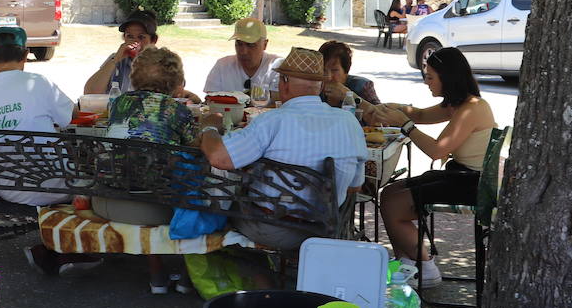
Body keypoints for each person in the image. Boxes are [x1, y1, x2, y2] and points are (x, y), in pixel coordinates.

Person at [197, 47, 368, 251]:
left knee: (220, 206)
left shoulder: (272, 120)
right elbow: (355, 186)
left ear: (283, 83)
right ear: (321, 86)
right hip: (327, 229)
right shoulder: (349, 121)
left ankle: (253, 273)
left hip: (273, 229)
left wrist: (208, 127)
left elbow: (219, 158)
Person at [370, 46, 498, 287]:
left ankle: (425, 267)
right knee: (388, 193)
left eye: (430, 77)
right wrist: (390, 109)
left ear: (447, 78)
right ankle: (407, 264)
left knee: (395, 205)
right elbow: (419, 114)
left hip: (473, 183)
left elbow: (438, 150)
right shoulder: (459, 104)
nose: (427, 83)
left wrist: (405, 125)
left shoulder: (472, 107)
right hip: (460, 174)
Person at [98, 45, 197, 293]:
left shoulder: (118, 103)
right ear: (177, 83)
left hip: (108, 200)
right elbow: (196, 149)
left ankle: (156, 272)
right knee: (196, 181)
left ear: (135, 77)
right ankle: (189, 274)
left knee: (140, 170)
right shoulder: (178, 110)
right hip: (157, 208)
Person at [0, 26, 73, 205]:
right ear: (25, 55)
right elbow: (71, 117)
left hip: (12, 191)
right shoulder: (39, 83)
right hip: (59, 188)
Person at [83, 9, 158, 95]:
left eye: (141, 37)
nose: (135, 42)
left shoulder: (163, 62)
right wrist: (115, 60)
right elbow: (90, 93)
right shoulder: (117, 59)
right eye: (130, 36)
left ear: (153, 40)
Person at [203, 17, 281, 96]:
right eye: (239, 44)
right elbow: (210, 102)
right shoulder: (222, 66)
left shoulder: (277, 67)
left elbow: (278, 103)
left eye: (250, 45)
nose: (243, 52)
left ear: (265, 44)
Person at [318, 40, 381, 105]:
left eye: (334, 70)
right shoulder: (314, 87)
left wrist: (350, 97)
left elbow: (381, 113)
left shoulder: (362, 86)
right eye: (323, 70)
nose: (329, 76)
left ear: (346, 71)